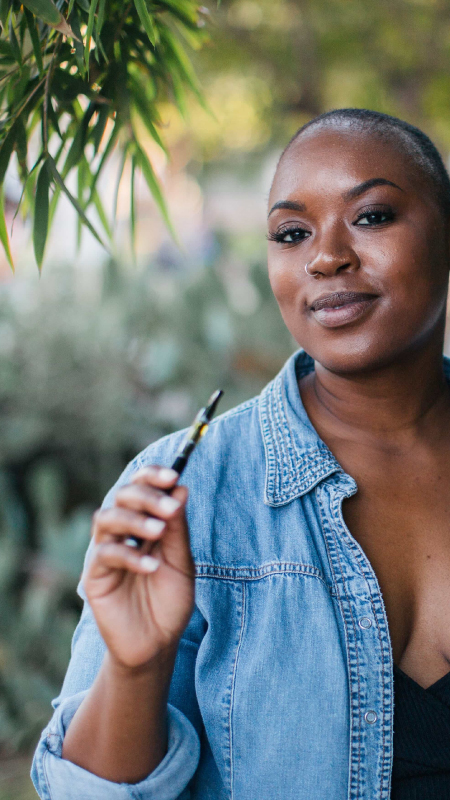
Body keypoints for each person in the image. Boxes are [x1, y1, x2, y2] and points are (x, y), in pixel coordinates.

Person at [32, 108, 450, 800]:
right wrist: (138, 667)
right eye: (292, 233)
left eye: (372, 217)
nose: (325, 257)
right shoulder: (184, 491)